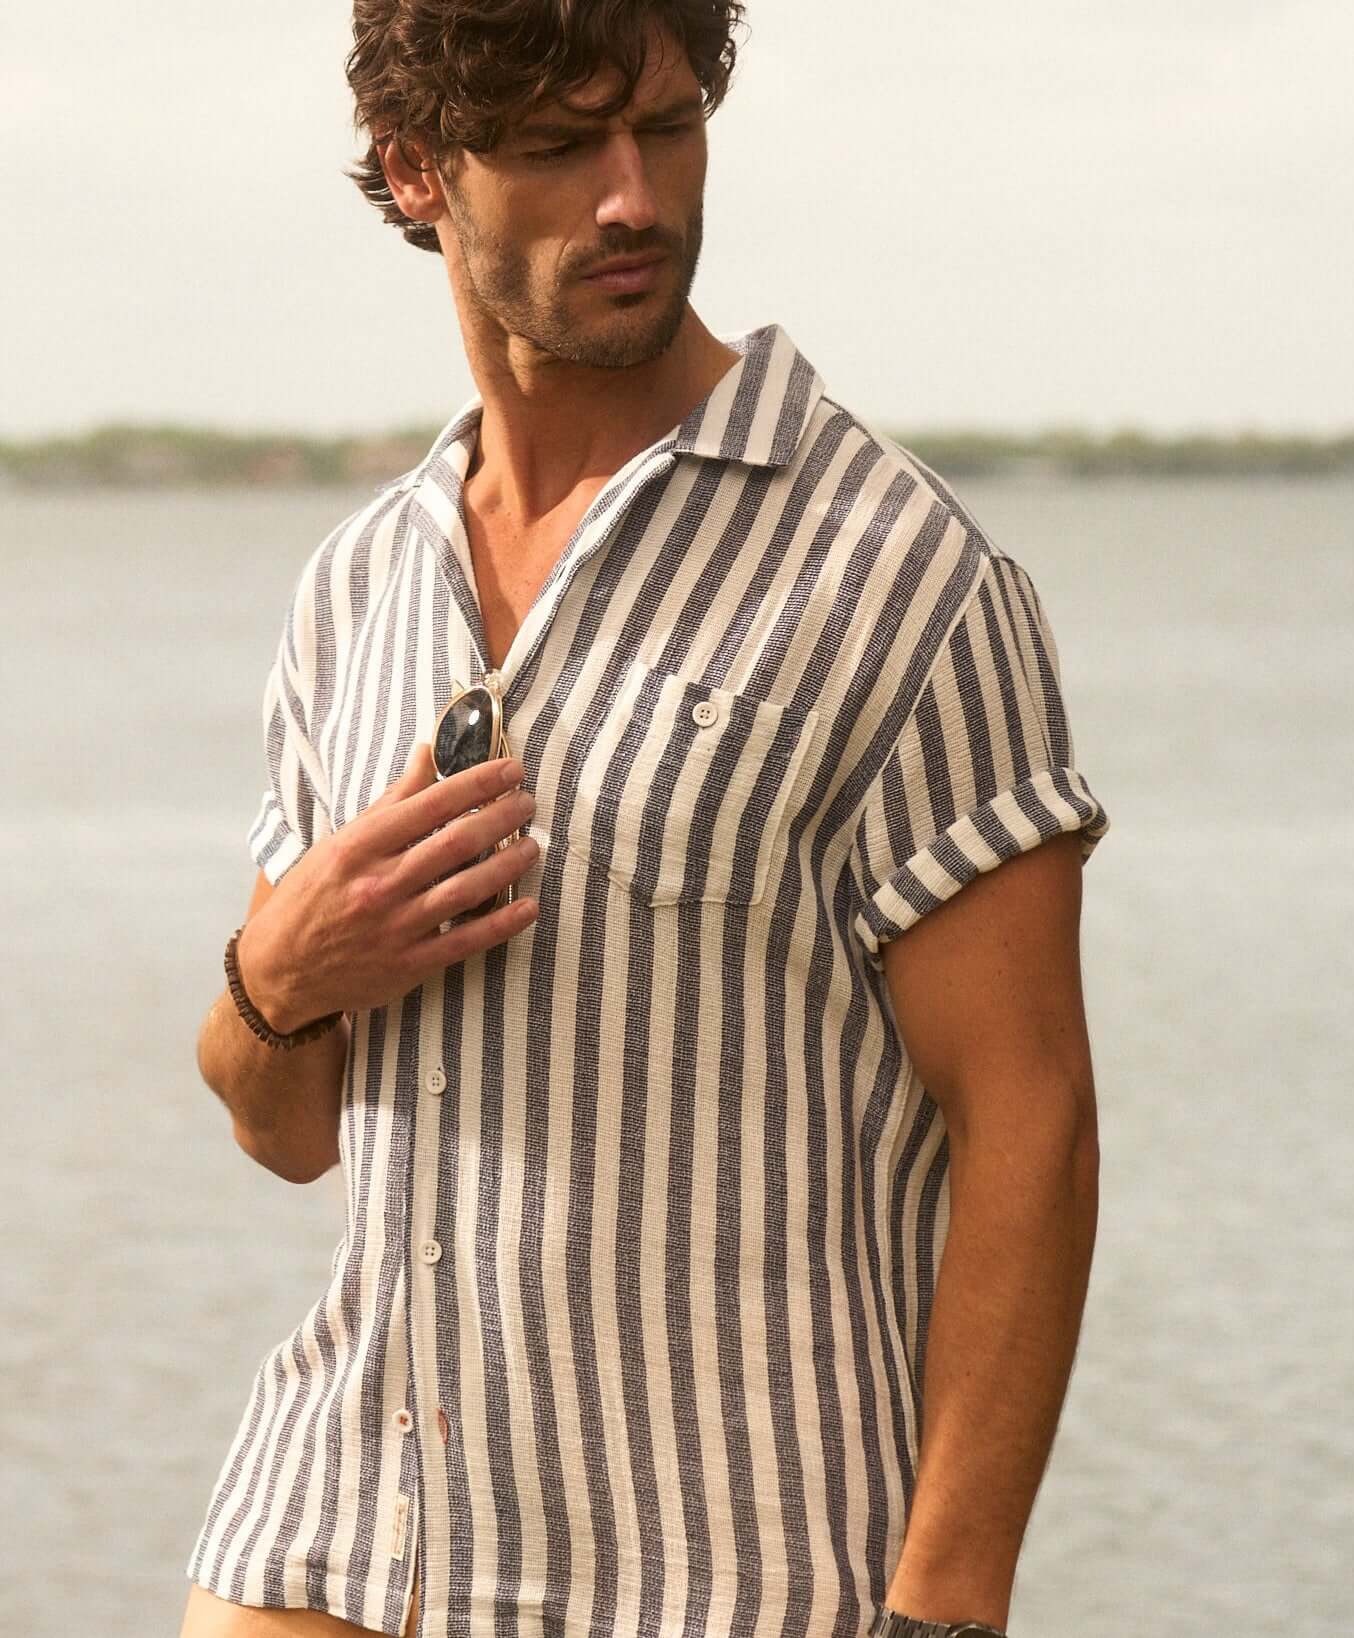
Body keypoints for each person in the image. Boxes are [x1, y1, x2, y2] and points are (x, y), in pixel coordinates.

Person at [180, 4, 1108, 1636]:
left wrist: (945, 1604)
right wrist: (281, 971)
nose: (634, 198)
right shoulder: (357, 588)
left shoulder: (897, 573)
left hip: (711, 1578)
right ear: (418, 170)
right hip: (329, 1552)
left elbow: (1028, 1119)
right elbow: (289, 1131)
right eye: (557, 147)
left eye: (667, 129)